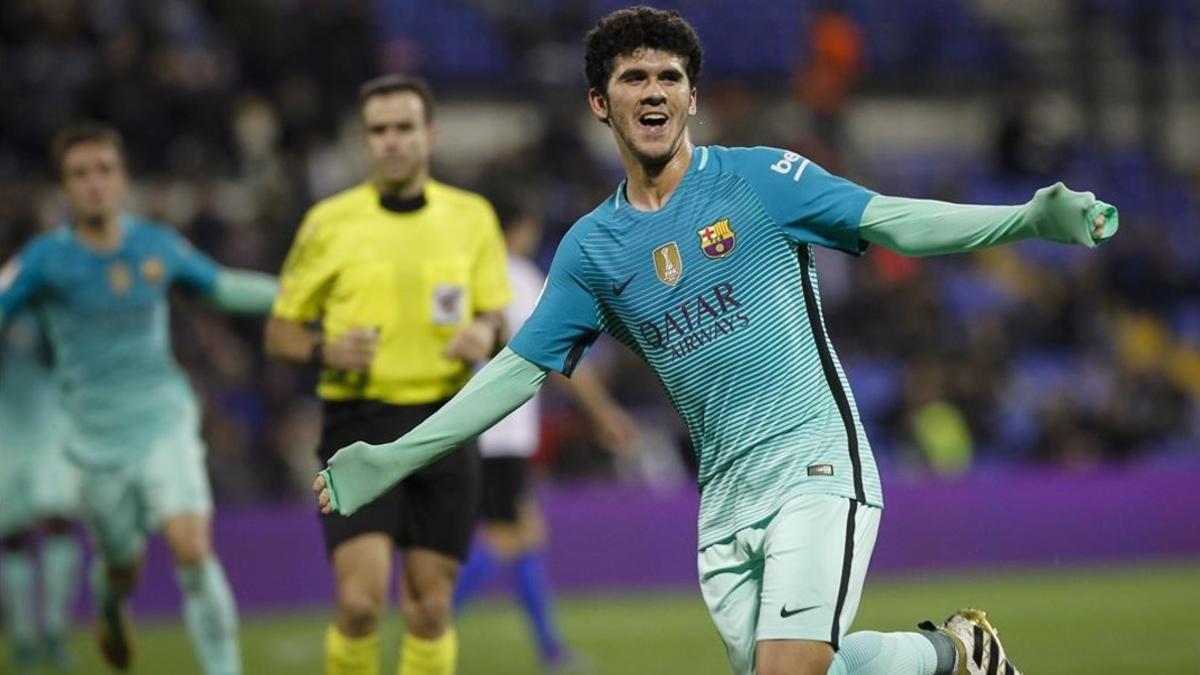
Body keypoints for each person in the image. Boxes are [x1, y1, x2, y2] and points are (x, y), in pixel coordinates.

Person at [312, 7, 1119, 675]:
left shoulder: (762, 178)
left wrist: (1025, 218)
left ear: (691, 96)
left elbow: (892, 218)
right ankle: (956, 653)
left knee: (788, 671)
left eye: (670, 76)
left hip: (817, 463)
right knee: (818, 667)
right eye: (634, 77)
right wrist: (392, 455)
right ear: (602, 103)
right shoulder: (592, 251)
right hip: (725, 499)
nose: (654, 90)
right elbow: (514, 375)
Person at [0, 122, 278, 675]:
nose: (94, 183)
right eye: (80, 174)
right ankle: (110, 603)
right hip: (94, 439)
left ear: (123, 179)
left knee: (192, 549)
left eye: (104, 170)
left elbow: (220, 287)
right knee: (122, 566)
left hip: (164, 420)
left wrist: (293, 294)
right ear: (64, 188)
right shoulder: (43, 261)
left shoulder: (155, 243)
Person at [265, 75, 512, 675]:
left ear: (430, 134)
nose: (392, 141)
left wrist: (484, 332)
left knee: (429, 608)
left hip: (445, 423)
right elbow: (279, 334)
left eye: (404, 128)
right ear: (364, 139)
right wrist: (325, 351)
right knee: (359, 602)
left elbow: (496, 315)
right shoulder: (329, 222)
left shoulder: (471, 216)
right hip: (359, 422)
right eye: (379, 130)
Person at [451, 196, 637, 671]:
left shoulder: (465, 274)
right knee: (508, 537)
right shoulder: (518, 277)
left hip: (478, 431)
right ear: (520, 227)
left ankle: (550, 649)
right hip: (502, 433)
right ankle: (429, 625)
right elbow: (564, 359)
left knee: (528, 535)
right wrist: (603, 413)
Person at [0, 224, 83, 674]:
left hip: (50, 428)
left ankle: (53, 629)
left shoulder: (52, 308)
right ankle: (24, 637)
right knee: (12, 538)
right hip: (6, 433)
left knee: (59, 524)